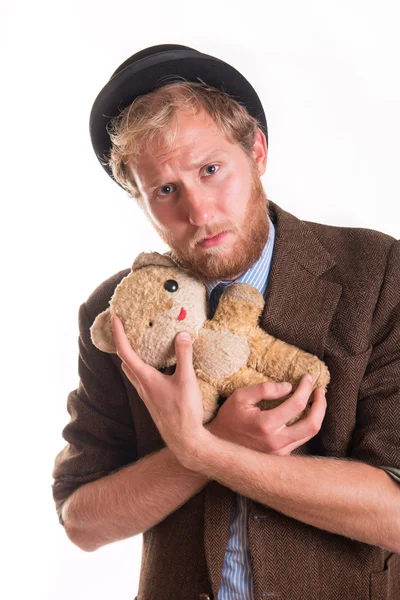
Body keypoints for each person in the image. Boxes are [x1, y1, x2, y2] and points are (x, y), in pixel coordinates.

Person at [52, 44, 400, 600]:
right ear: (140, 200)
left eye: (211, 170)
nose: (200, 213)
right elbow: (81, 520)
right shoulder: (115, 313)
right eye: (165, 191)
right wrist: (206, 446)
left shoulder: (379, 273)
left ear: (257, 151)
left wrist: (206, 451)